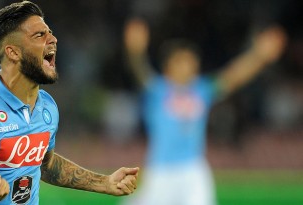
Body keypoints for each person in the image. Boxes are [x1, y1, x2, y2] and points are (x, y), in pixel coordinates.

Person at [0, 1, 139, 205]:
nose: (53, 39)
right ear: (13, 52)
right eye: (39, 35)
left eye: (50, 32)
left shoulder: (47, 105)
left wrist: (105, 182)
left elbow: (46, 164)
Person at [122, 18, 286, 205]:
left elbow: (233, 76)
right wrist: (134, 52)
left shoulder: (201, 90)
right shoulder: (158, 90)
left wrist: (258, 56)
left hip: (193, 170)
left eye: (192, 62)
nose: (189, 67)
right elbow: (140, 72)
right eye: (182, 61)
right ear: (169, 67)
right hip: (161, 172)